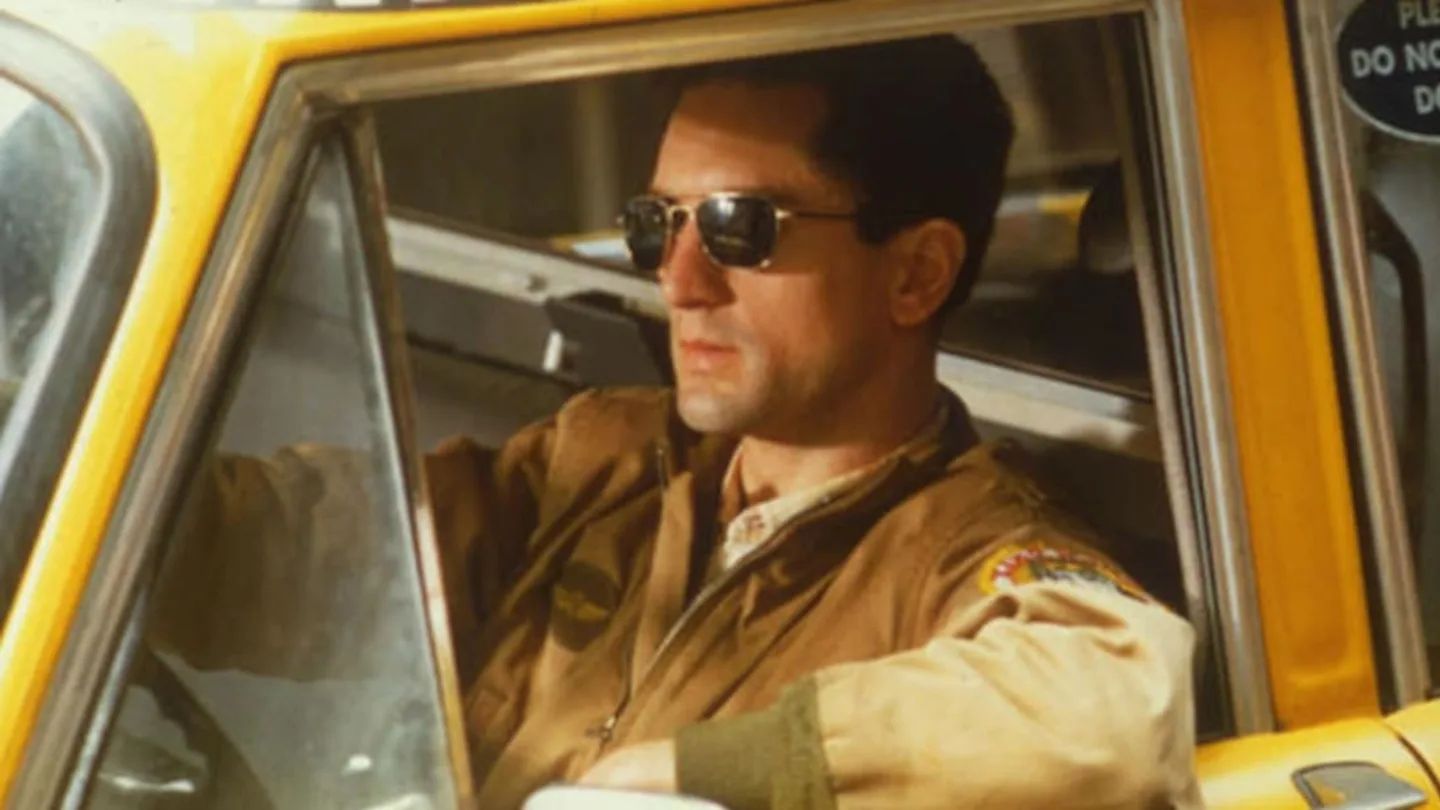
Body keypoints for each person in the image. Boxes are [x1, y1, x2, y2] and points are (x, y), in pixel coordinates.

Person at [161, 35, 1199, 809]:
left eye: (741, 228)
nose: (678, 278)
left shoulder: (964, 553)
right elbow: (298, 549)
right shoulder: (603, 457)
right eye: (657, 223)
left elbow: (1117, 708)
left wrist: (697, 775)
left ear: (916, 272)